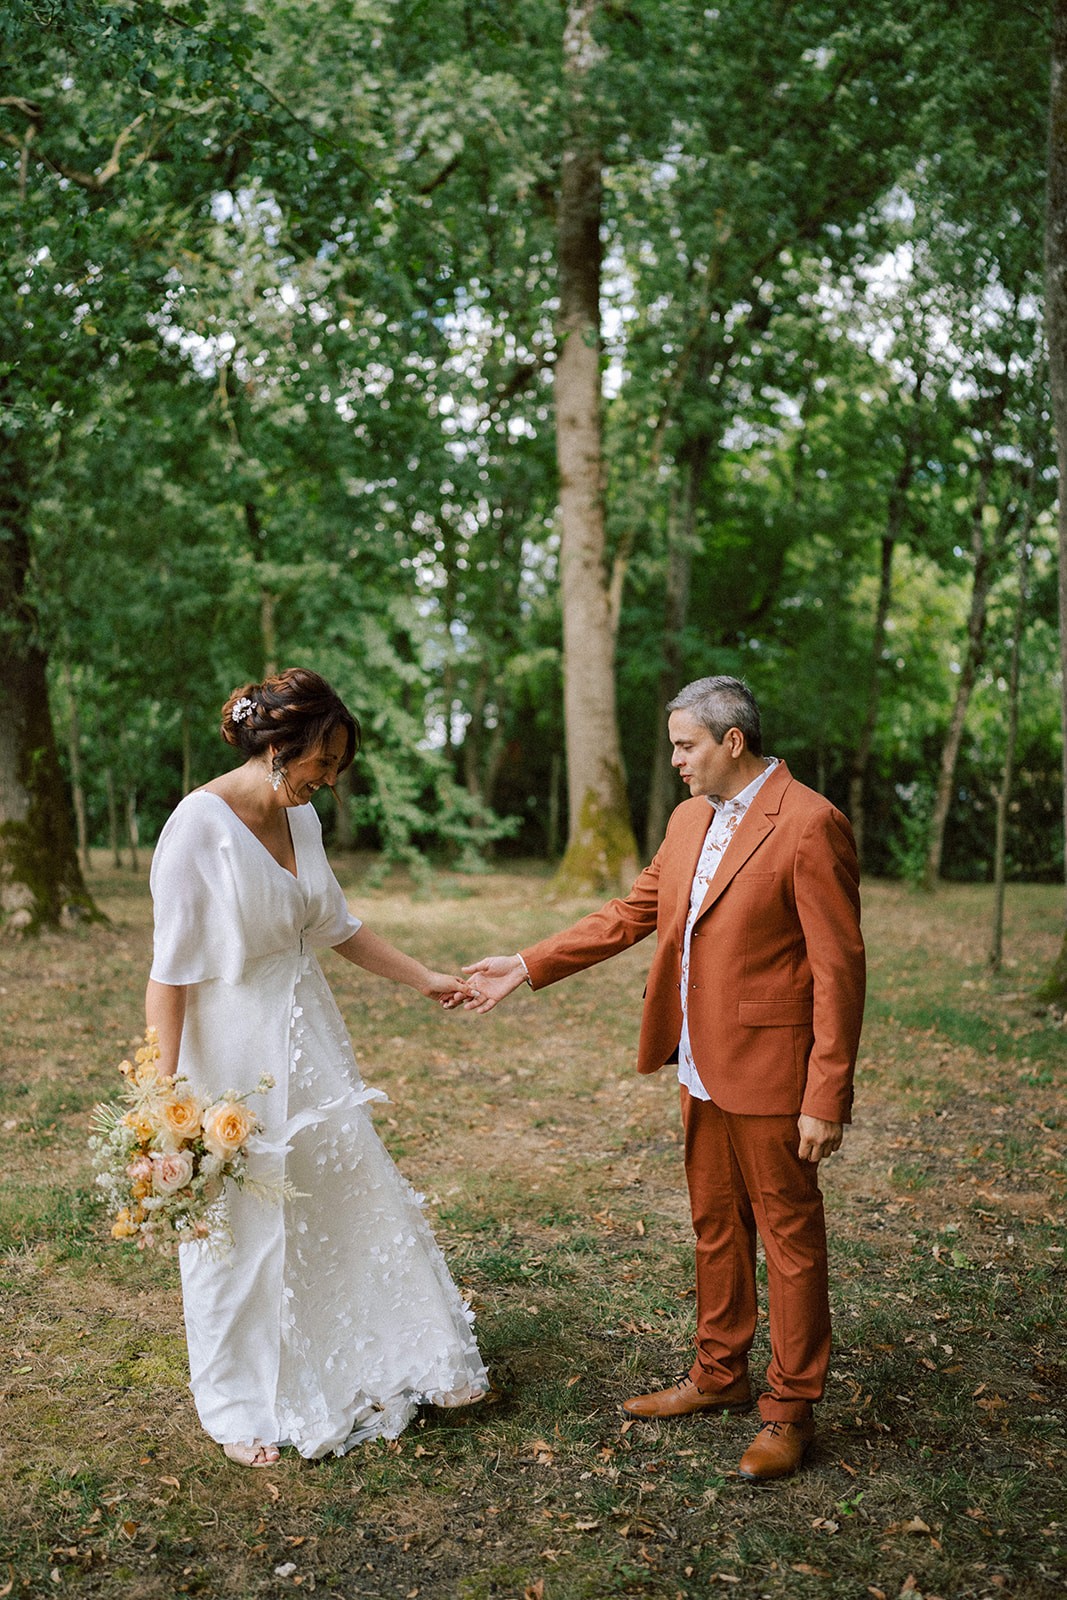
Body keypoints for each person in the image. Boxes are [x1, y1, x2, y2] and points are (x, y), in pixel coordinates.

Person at [462, 675, 865, 1482]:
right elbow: (631, 911)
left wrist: (825, 1094)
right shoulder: (686, 820)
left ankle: (788, 1409)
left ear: (731, 742)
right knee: (714, 1226)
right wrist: (526, 964)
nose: (675, 760)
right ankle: (718, 1376)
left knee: (787, 1241)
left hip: (773, 1072)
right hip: (698, 1066)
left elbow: (838, 967)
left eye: (685, 745)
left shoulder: (810, 824)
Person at [146, 667, 488, 1467]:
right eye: (320, 764)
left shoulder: (300, 822)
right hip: (227, 1052)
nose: (327, 782)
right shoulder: (198, 826)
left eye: (334, 768)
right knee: (239, 1228)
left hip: (307, 1039)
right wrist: (163, 1102)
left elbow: (334, 924)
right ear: (277, 745)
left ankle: (391, 1355)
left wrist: (424, 977)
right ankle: (236, 1402)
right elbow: (168, 976)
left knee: (342, 1191)